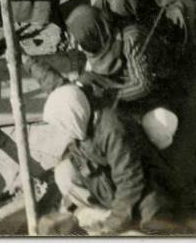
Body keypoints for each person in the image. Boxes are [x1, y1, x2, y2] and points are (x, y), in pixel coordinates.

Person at [41, 82, 149, 234]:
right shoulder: (83, 121)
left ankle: (123, 218)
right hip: (110, 184)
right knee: (64, 171)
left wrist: (112, 225)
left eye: (62, 123)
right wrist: (69, 207)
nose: (62, 129)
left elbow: (130, 180)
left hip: (143, 194)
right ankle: (109, 213)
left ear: (72, 114)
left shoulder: (113, 130)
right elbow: (78, 161)